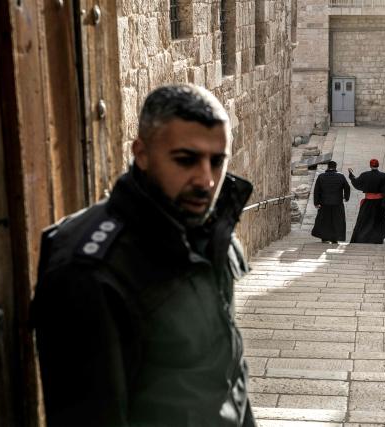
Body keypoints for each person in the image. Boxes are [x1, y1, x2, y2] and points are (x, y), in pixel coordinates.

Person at [31, 85, 257, 426]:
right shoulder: (89, 270)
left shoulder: (207, 227)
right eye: (186, 159)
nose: (207, 180)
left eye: (217, 161)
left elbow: (228, 374)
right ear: (142, 153)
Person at [348, 159, 385, 243]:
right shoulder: (384, 176)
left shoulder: (365, 175)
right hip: (379, 202)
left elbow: (356, 183)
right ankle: (377, 238)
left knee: (364, 221)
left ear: (370, 166)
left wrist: (351, 175)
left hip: (368, 202)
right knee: (379, 221)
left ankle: (363, 238)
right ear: (378, 165)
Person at [311, 161, 351, 243]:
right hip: (337, 203)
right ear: (335, 167)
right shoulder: (341, 176)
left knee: (324, 220)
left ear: (327, 167)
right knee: (337, 221)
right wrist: (346, 197)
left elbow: (316, 190)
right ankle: (335, 238)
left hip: (324, 203)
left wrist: (316, 202)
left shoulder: (321, 177)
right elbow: (347, 187)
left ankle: (324, 237)